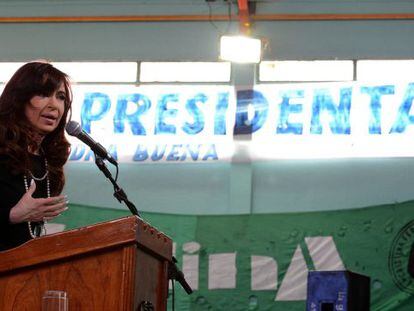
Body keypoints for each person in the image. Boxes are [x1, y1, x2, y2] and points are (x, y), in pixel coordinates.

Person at [0, 62, 71, 251]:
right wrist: (12, 215)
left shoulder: (50, 161)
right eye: (43, 94)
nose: (54, 105)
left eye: (61, 97)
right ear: (19, 99)